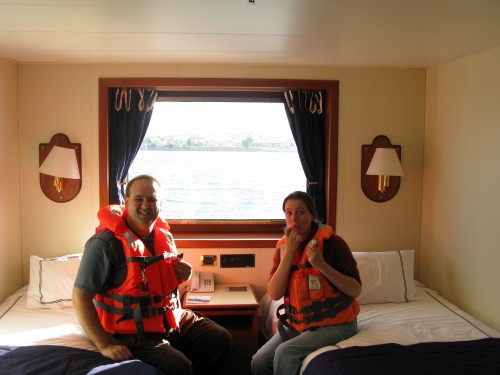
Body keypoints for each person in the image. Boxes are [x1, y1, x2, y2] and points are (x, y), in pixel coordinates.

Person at [73, 175, 232, 375]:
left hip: (170, 320)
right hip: (131, 333)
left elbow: (159, 282)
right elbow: (80, 298)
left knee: (219, 338)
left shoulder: (163, 236)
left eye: (152, 200)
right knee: (179, 366)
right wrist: (105, 345)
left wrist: (185, 275)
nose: (145, 205)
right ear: (127, 201)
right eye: (139, 199)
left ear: (160, 204)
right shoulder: (104, 244)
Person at [251, 191, 362, 375]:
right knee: (259, 361)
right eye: (289, 213)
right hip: (300, 324)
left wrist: (322, 266)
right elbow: (275, 294)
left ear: (312, 215)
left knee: (285, 353)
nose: (294, 219)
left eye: (300, 212)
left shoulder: (334, 244)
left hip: (338, 324)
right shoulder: (283, 249)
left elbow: (355, 289)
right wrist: (288, 254)